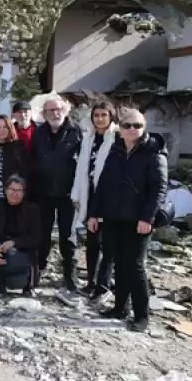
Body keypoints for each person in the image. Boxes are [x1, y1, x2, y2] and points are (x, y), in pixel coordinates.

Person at [88, 108, 168, 332]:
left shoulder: (155, 153)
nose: (132, 130)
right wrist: (94, 214)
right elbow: (102, 184)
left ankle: (142, 316)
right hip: (114, 218)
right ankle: (120, 307)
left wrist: (147, 217)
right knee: (118, 263)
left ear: (144, 128)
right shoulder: (115, 150)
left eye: (137, 125)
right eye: (127, 125)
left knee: (136, 266)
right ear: (120, 128)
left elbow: (159, 189)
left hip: (138, 220)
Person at [31, 95, 82, 291]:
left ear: (66, 110)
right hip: (43, 193)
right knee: (42, 234)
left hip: (68, 194)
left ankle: (70, 276)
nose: (55, 113)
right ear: (44, 114)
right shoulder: (39, 133)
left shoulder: (77, 132)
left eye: (58, 109)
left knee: (67, 236)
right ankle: (39, 270)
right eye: (51, 110)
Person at [71, 102, 118, 298]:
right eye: (96, 115)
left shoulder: (116, 138)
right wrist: (76, 194)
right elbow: (81, 169)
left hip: (108, 198)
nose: (99, 119)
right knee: (92, 242)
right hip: (89, 195)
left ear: (111, 116)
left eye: (103, 115)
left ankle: (104, 284)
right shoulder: (89, 137)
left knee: (107, 244)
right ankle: (91, 280)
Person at [0, 176, 41, 296]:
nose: (15, 193)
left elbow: (36, 238)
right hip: (1, 249)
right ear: (5, 191)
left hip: (23, 251)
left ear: (24, 193)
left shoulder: (32, 210)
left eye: (19, 190)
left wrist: (15, 242)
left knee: (18, 279)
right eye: (12, 189)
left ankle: (27, 286)